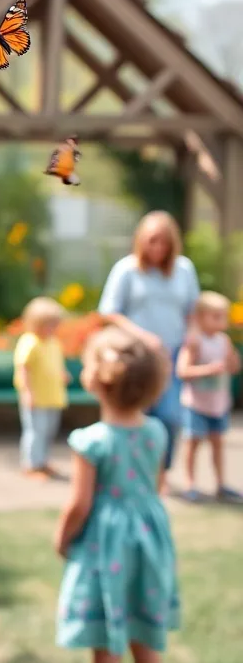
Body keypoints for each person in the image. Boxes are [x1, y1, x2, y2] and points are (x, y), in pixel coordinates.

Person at [55, 325, 179, 663]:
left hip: (105, 547)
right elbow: (156, 486)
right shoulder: (156, 432)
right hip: (149, 542)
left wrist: (61, 538)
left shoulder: (91, 441)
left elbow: (80, 504)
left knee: (108, 643)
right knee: (145, 638)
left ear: (99, 380)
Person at [98, 211, 200, 492]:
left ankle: (160, 472)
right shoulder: (127, 269)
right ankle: (132, 473)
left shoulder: (183, 269)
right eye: (152, 241)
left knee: (169, 417)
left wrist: (192, 335)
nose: (157, 248)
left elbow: (192, 309)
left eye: (163, 243)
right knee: (136, 415)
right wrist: (143, 336)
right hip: (137, 359)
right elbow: (109, 312)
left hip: (171, 356)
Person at [175, 291, 241, 502]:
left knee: (217, 443)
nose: (222, 320)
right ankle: (190, 483)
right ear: (201, 317)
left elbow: (234, 367)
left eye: (223, 315)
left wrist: (231, 362)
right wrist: (208, 370)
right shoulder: (194, 342)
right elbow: (182, 371)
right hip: (196, 404)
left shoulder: (224, 341)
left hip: (218, 404)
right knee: (193, 443)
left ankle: (221, 484)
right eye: (216, 316)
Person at [14, 297, 71, 479]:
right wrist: (27, 392)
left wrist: (62, 374)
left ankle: (43, 461)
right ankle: (31, 465)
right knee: (35, 432)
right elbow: (24, 369)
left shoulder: (53, 342)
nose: (53, 329)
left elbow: (55, 364)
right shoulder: (29, 342)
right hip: (36, 398)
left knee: (48, 432)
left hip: (52, 396)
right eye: (49, 325)